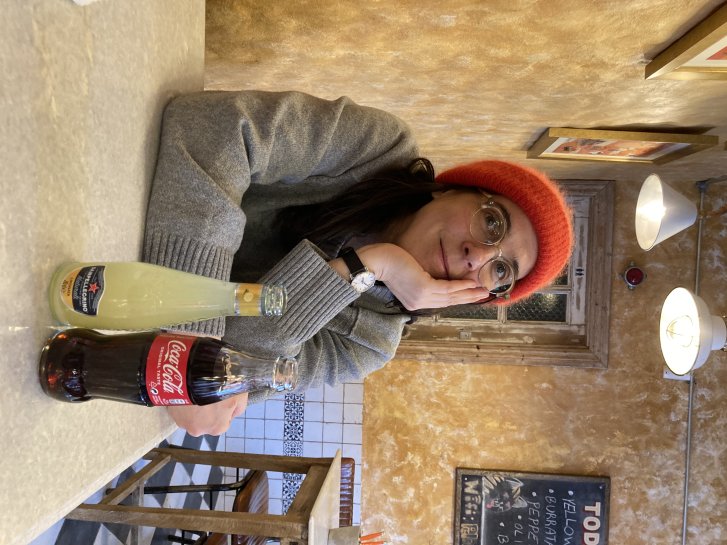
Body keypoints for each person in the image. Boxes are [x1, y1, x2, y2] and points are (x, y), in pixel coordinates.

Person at [143, 90, 573, 436]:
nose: (477, 255)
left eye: (500, 270)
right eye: (493, 222)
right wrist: (188, 327)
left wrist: (364, 265)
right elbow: (214, 126)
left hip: (118, 322)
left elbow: (225, 376)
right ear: (453, 188)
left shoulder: (371, 342)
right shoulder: (378, 147)